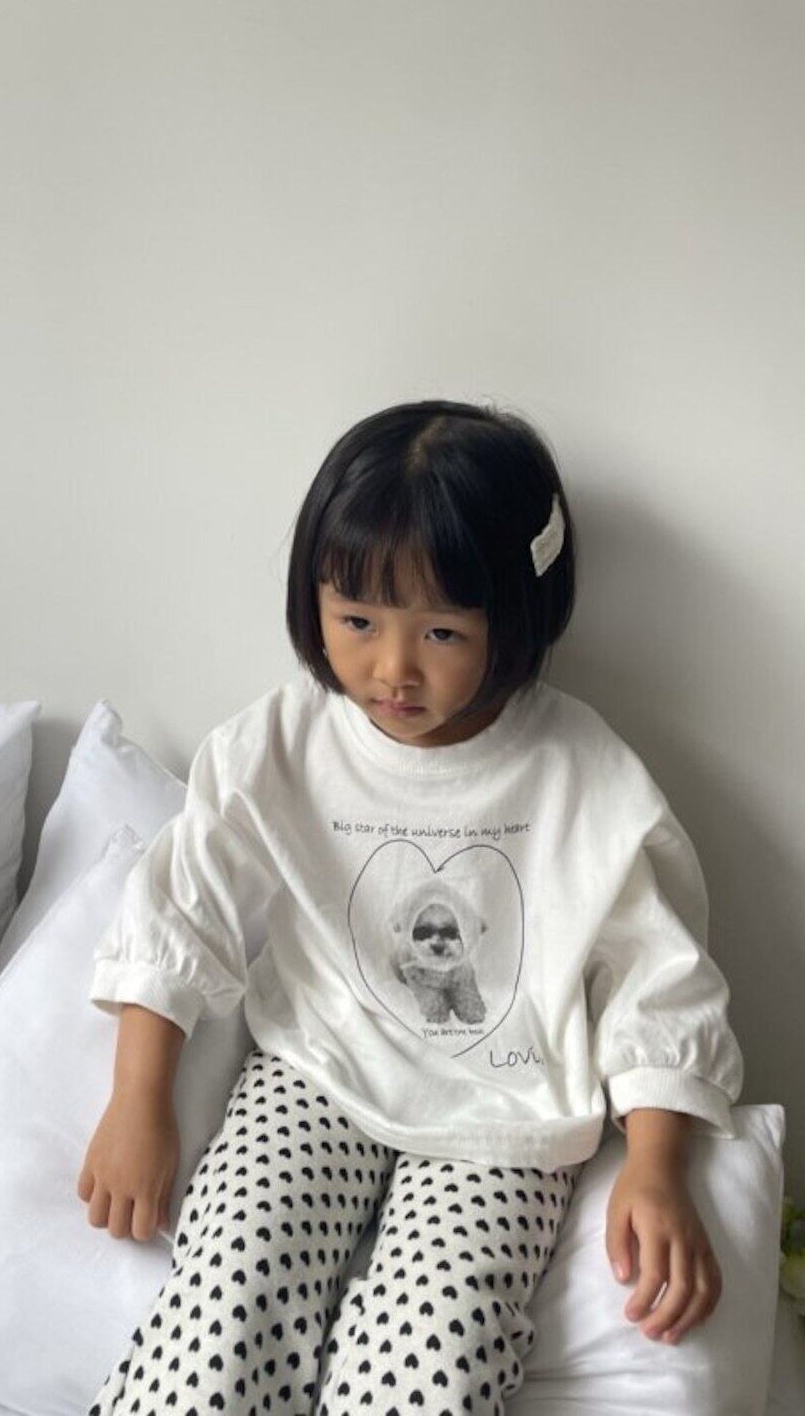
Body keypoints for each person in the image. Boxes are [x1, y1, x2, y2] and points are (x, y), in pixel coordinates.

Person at [76, 398, 744, 1416]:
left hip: (503, 1115)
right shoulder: (281, 744)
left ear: (513, 619)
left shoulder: (585, 778)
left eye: (440, 631)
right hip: (316, 1069)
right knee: (228, 1281)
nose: (392, 669)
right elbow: (184, 903)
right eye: (356, 621)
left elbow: (657, 980)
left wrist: (656, 1165)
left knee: (436, 1347)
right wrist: (139, 1097)